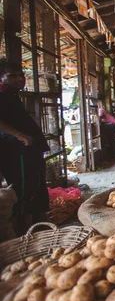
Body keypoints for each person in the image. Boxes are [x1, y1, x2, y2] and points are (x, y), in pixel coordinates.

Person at [0, 61, 49, 235]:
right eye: (12, 75)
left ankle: (38, 224)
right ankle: (24, 230)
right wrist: (19, 135)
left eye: (21, 75)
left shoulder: (12, 95)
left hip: (27, 149)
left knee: (35, 183)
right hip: (16, 150)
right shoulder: (2, 95)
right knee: (22, 187)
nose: (19, 79)